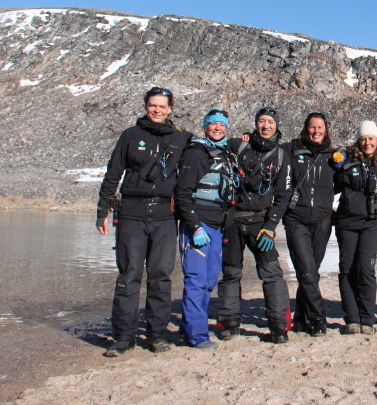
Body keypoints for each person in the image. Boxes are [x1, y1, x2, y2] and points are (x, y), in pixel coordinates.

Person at [96, 86, 191, 356]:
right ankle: (123, 337)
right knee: (129, 276)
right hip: (131, 214)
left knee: (160, 276)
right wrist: (102, 211)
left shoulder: (180, 138)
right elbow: (112, 174)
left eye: (162, 106)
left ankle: (157, 335)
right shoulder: (130, 136)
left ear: (170, 108)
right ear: (146, 106)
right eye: (153, 105)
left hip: (164, 215)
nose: (157, 110)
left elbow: (210, 146)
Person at [216, 106, 293, 344]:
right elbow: (213, 143)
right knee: (231, 273)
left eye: (270, 121)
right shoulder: (238, 146)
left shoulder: (282, 156)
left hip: (261, 223)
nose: (266, 126)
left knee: (272, 274)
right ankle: (229, 323)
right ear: (255, 123)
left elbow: (283, 197)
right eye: (262, 121)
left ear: (277, 125)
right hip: (233, 220)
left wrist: (270, 226)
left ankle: (279, 326)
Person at [174, 108, 235, 349]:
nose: (218, 128)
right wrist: (194, 225)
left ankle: (188, 324)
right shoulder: (196, 153)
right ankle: (197, 335)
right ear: (205, 126)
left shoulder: (225, 153)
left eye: (222, 125)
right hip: (198, 225)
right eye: (213, 124)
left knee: (210, 278)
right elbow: (183, 193)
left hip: (218, 225)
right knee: (196, 279)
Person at [284, 112, 339, 337]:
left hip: (322, 220)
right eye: (312, 127)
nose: (316, 132)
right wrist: (246, 138)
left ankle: (300, 317)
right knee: (307, 272)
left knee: (311, 272)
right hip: (296, 219)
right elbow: (266, 149)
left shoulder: (333, 156)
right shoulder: (291, 150)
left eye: (320, 127)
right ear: (305, 128)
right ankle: (318, 319)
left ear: (326, 129)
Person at [334, 120, 377, 335]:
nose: (367, 143)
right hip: (347, 222)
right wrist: (338, 163)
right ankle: (352, 319)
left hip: (372, 223)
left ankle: (367, 319)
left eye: (371, 138)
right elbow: (333, 183)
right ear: (358, 140)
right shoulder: (347, 159)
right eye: (364, 139)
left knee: (366, 269)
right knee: (347, 269)